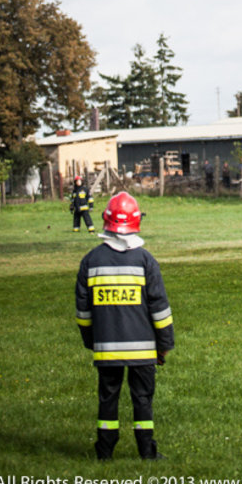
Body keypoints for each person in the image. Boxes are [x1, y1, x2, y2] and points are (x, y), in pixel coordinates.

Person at [75, 191, 175, 460]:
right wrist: (164, 347)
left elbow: (83, 314)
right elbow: (160, 311)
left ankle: (104, 453)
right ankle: (147, 452)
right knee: (143, 400)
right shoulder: (146, 261)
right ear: (136, 222)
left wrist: (92, 341)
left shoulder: (90, 262)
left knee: (108, 399)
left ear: (106, 221)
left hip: (106, 349)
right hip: (143, 352)